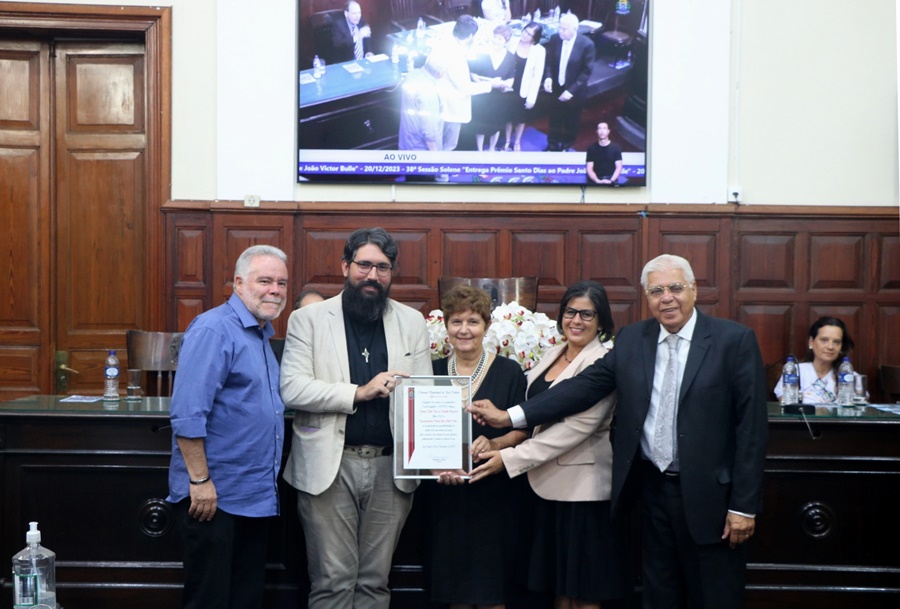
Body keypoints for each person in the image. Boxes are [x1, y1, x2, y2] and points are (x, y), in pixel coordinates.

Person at [469, 254, 769, 609]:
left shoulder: (733, 341)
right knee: (660, 593)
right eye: (656, 290)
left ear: (693, 290)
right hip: (651, 490)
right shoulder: (632, 340)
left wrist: (744, 507)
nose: (666, 298)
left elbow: (751, 429)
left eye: (675, 288)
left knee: (714, 595)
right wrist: (511, 416)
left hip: (712, 499)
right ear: (646, 296)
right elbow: (581, 388)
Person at [280, 227, 432, 609]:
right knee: (333, 582)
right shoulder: (308, 319)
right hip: (329, 467)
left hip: (391, 469)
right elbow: (293, 389)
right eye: (364, 265)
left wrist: (442, 453)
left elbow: (425, 397)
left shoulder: (412, 322)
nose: (373, 276)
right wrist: (359, 393)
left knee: (374, 584)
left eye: (383, 267)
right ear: (346, 266)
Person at [469, 280, 628, 609]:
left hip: (582, 494)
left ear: (602, 321)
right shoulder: (553, 353)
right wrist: (497, 441)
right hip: (544, 489)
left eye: (588, 314)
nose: (577, 320)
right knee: (558, 587)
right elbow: (532, 416)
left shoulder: (604, 364)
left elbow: (572, 431)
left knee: (583, 593)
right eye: (571, 311)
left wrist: (508, 458)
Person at [167, 244, 289, 609]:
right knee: (210, 600)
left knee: (244, 599)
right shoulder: (214, 329)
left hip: (252, 497)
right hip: (213, 498)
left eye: (281, 283)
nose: (275, 290)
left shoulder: (259, 334)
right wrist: (200, 481)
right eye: (264, 280)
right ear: (239, 283)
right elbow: (188, 414)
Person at [426, 284, 529, 609]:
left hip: (494, 498)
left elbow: (523, 431)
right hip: (446, 500)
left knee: (491, 592)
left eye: (472, 321)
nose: (464, 330)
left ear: (486, 326)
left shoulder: (510, 372)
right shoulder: (432, 372)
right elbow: (418, 433)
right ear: (446, 327)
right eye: (456, 322)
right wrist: (431, 463)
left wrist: (495, 442)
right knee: (452, 592)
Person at [436, 15, 498, 153]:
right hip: (450, 107)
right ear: (470, 36)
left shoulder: (443, 43)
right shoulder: (455, 55)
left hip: (439, 102)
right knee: (448, 145)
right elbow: (466, 88)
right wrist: (491, 85)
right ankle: (442, 174)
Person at [774, 317, 859, 404]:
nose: (830, 347)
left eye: (836, 342)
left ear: (841, 347)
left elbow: (860, 407)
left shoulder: (849, 376)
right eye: (824, 340)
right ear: (811, 342)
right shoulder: (794, 371)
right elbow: (787, 404)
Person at [542, 12, 595, 151]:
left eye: (564, 29)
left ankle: (567, 144)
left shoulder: (587, 45)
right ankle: (552, 144)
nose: (560, 31)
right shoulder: (555, 39)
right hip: (557, 87)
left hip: (575, 90)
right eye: (559, 27)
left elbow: (586, 71)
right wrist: (548, 77)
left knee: (571, 120)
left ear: (574, 29)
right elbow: (549, 62)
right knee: (554, 117)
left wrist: (570, 91)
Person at [469, 24, 516, 152]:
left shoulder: (510, 57)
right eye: (495, 37)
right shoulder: (482, 53)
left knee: (496, 125)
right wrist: (485, 85)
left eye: (500, 39)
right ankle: (479, 150)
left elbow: (511, 77)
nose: (496, 40)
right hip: (483, 96)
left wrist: (505, 85)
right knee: (480, 125)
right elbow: (472, 73)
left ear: (506, 41)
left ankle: (491, 149)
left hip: (499, 98)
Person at [503, 21, 545, 151]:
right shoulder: (512, 42)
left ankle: (517, 141)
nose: (525, 35)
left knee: (520, 118)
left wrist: (532, 98)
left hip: (523, 89)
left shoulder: (539, 51)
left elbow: (537, 76)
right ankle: (507, 140)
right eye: (525, 31)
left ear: (534, 39)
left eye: (529, 34)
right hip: (508, 86)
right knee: (507, 116)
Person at [399, 53, 446, 151]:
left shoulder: (412, 74)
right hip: (421, 151)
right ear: (441, 73)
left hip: (406, 144)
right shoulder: (429, 93)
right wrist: (436, 158)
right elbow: (429, 133)